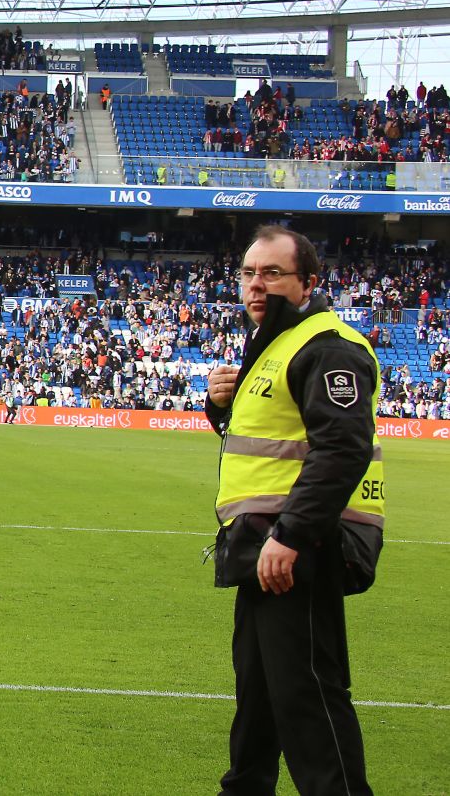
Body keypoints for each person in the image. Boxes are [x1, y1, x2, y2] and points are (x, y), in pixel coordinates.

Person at [204, 225, 382, 796]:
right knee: (257, 696)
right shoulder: (271, 345)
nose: (258, 285)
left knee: (307, 696)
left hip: (298, 545)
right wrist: (217, 408)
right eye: (250, 274)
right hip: (262, 543)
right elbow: (267, 443)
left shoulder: (326, 347)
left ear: (308, 282)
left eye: (273, 273)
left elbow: (342, 448)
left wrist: (292, 535)